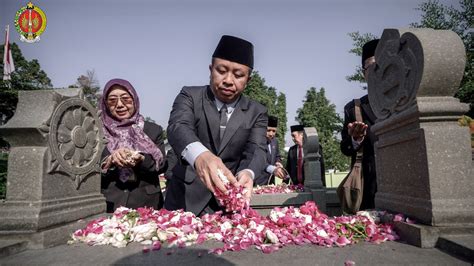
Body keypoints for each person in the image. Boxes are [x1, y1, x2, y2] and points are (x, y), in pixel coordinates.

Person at [164, 35, 268, 216]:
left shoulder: (256, 111)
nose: (228, 80)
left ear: (248, 80)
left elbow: (257, 149)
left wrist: (248, 172)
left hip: (228, 203)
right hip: (184, 199)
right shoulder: (190, 96)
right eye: (221, 71)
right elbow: (178, 126)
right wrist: (201, 156)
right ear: (211, 70)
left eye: (238, 75)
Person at [99, 78, 166, 213]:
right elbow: (88, 169)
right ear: (105, 104)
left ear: (135, 100)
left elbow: (162, 165)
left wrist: (141, 159)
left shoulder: (153, 130)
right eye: (112, 100)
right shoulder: (97, 132)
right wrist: (110, 160)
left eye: (126, 99)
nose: (119, 105)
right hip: (109, 203)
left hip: (147, 204)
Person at [340, 39, 379, 210]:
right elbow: (345, 148)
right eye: (372, 67)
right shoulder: (354, 108)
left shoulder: (405, 103)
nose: (378, 71)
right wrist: (355, 139)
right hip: (369, 187)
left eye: (382, 65)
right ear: (364, 73)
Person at [254, 115, 285, 186]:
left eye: (274, 131)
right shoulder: (256, 142)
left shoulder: (275, 141)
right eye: (268, 130)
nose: (271, 134)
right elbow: (258, 160)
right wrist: (272, 169)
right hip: (257, 181)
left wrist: (278, 162)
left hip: (270, 181)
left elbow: (277, 156)